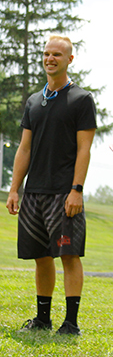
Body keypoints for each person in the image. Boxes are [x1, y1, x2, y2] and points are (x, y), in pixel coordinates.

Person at [6, 35, 97, 336]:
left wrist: (77, 190)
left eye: (57, 54)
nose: (50, 59)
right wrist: (14, 188)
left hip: (64, 192)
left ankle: (71, 323)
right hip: (34, 193)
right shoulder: (34, 101)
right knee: (40, 257)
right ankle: (42, 318)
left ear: (70, 60)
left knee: (69, 256)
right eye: (46, 54)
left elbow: (84, 149)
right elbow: (25, 149)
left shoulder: (81, 100)